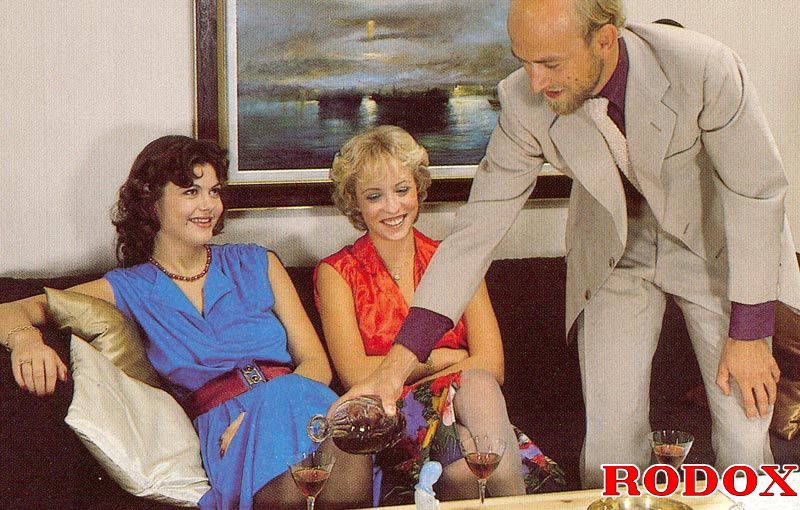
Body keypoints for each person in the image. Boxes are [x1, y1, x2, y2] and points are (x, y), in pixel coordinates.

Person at [332, 0, 800, 489]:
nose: (535, 82)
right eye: (524, 62)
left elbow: (756, 193)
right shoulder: (523, 99)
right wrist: (393, 370)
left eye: (550, 64)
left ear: (604, 39)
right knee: (609, 447)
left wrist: (750, 335)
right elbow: (474, 234)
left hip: (718, 249)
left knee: (745, 431)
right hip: (614, 252)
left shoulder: (704, 67)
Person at [0, 135, 372, 510]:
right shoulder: (129, 287)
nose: (209, 205)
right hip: (224, 425)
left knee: (347, 445)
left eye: (214, 191)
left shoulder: (259, 262)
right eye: (191, 192)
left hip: (300, 400)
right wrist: (26, 340)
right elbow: (11, 309)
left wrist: (263, 413)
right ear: (152, 203)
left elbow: (316, 363)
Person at [315, 126, 563, 503]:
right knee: (474, 391)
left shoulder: (455, 260)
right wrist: (443, 359)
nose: (393, 207)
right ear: (355, 203)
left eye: (402, 190)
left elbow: (492, 364)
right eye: (374, 196)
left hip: (469, 412)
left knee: (469, 446)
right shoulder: (337, 272)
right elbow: (358, 375)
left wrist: (421, 374)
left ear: (418, 188)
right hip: (391, 421)